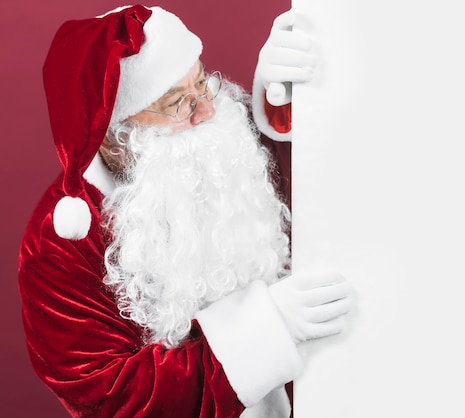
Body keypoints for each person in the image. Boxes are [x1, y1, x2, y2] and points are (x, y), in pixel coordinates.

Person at [17, 5, 352, 418]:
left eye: (202, 84)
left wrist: (287, 101)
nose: (208, 111)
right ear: (115, 135)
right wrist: (268, 329)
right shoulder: (59, 245)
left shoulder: (221, 136)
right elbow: (113, 400)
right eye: (179, 104)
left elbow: (323, 179)